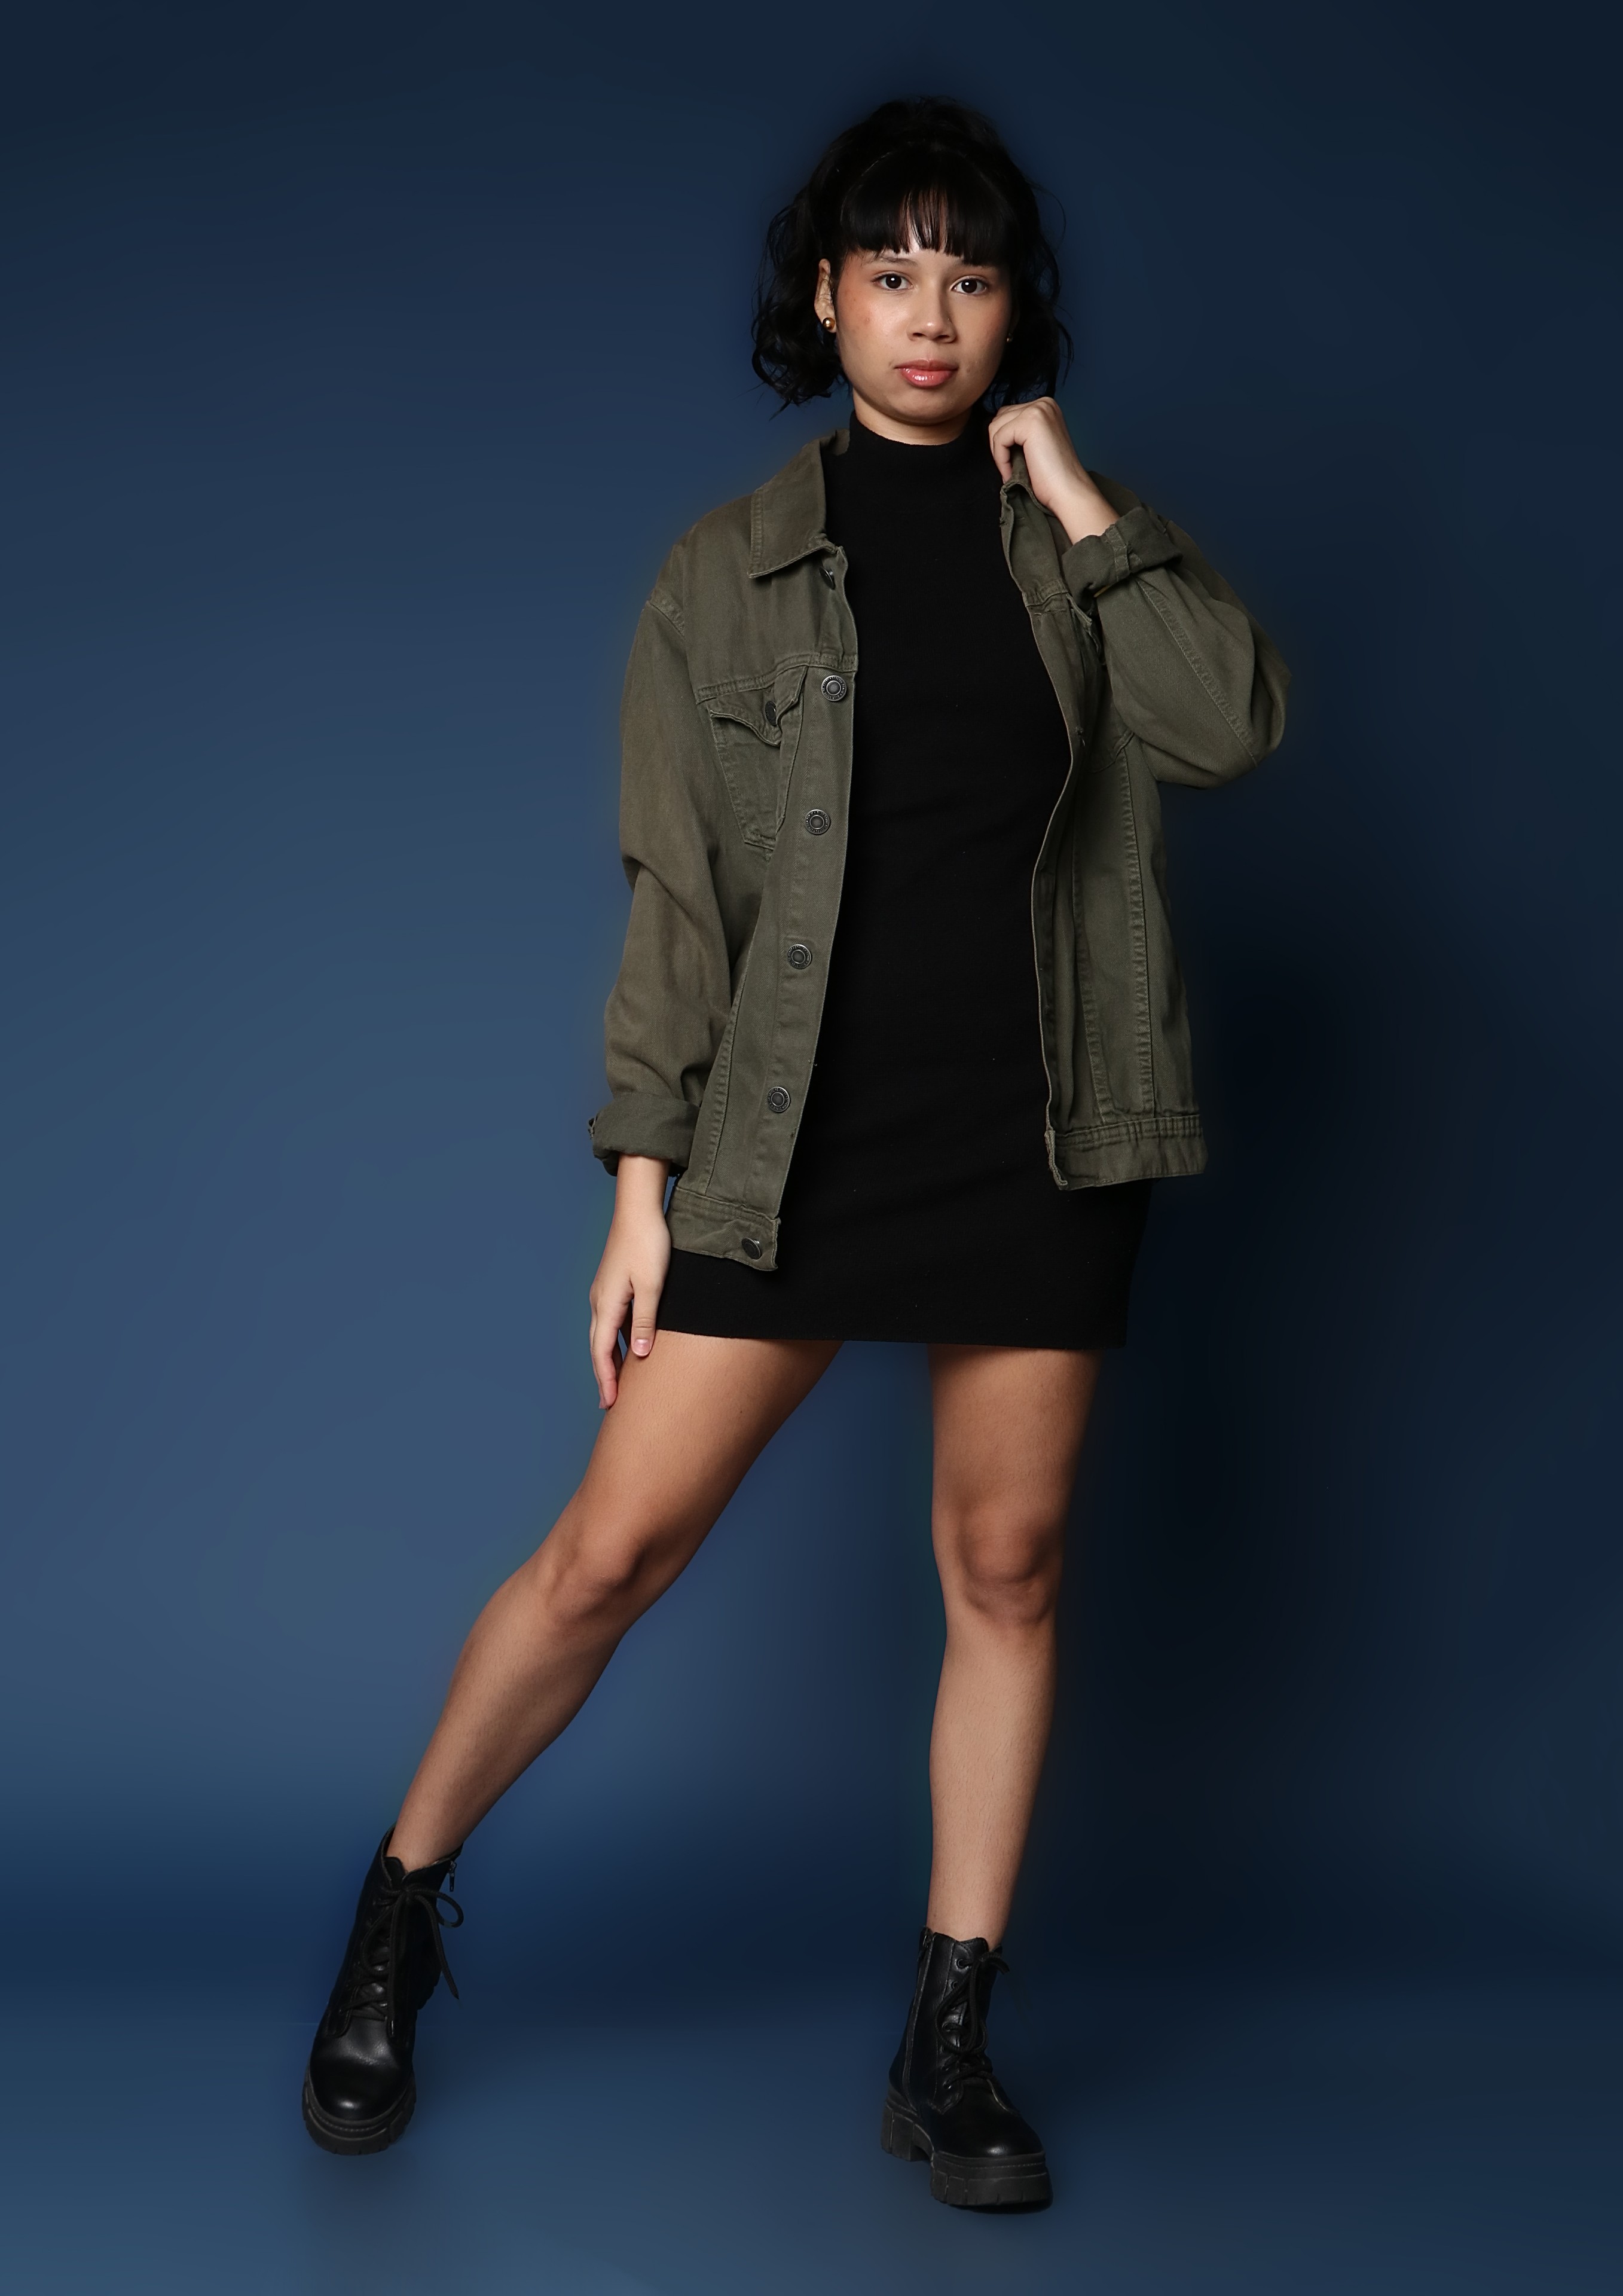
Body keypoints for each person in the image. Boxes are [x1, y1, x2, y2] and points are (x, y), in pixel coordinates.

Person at [301, 94, 1289, 2209]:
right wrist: (638, 1192)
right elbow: (683, 902)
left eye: (971, 276)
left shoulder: (1080, 542)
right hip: (790, 1139)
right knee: (610, 1555)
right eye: (891, 272)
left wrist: (1078, 497)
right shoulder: (723, 576)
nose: (931, 316)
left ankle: (949, 2043)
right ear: (823, 299)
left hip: (1042, 1128)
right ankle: (395, 1913)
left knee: (1005, 1570)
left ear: (1013, 311)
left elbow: (1227, 728)